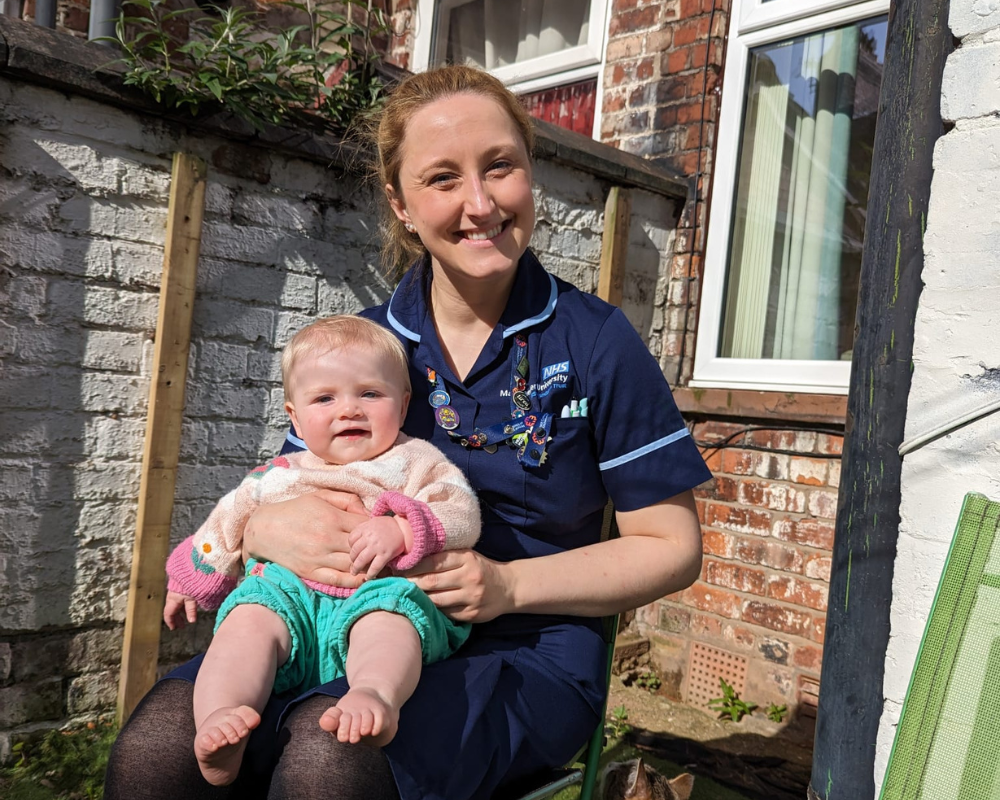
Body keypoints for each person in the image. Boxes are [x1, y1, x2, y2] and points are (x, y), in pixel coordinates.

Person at [104, 64, 711, 800]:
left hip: (530, 648)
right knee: (158, 747)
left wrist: (508, 584)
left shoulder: (597, 342)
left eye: (500, 168)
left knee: (330, 760)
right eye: (443, 179)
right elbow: (298, 487)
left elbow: (672, 549)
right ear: (400, 203)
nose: (480, 204)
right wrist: (260, 531)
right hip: (336, 622)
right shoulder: (366, 349)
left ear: (531, 172)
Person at [161, 315, 480, 786]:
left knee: (389, 620)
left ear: (404, 403)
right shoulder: (279, 473)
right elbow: (225, 523)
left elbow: (461, 513)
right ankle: (221, 717)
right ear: (293, 416)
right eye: (325, 398)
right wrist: (191, 576)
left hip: (377, 591)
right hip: (289, 600)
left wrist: (403, 531)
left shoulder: (418, 461)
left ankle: (375, 696)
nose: (349, 410)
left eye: (370, 394)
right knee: (246, 621)